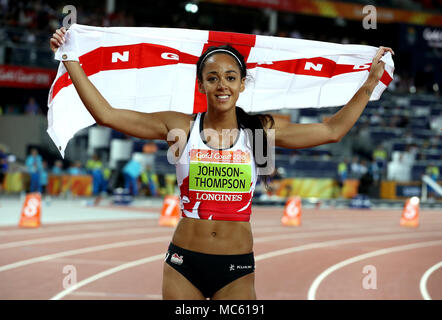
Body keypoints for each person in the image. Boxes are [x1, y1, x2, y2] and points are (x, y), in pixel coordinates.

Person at [51, 27, 393, 300]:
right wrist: (70, 59)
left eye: (230, 77)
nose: (221, 85)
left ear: (242, 85)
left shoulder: (259, 132)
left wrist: (369, 83)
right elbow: (106, 114)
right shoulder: (181, 127)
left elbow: (331, 130)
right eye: (212, 77)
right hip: (183, 263)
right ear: (201, 84)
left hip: (236, 268)